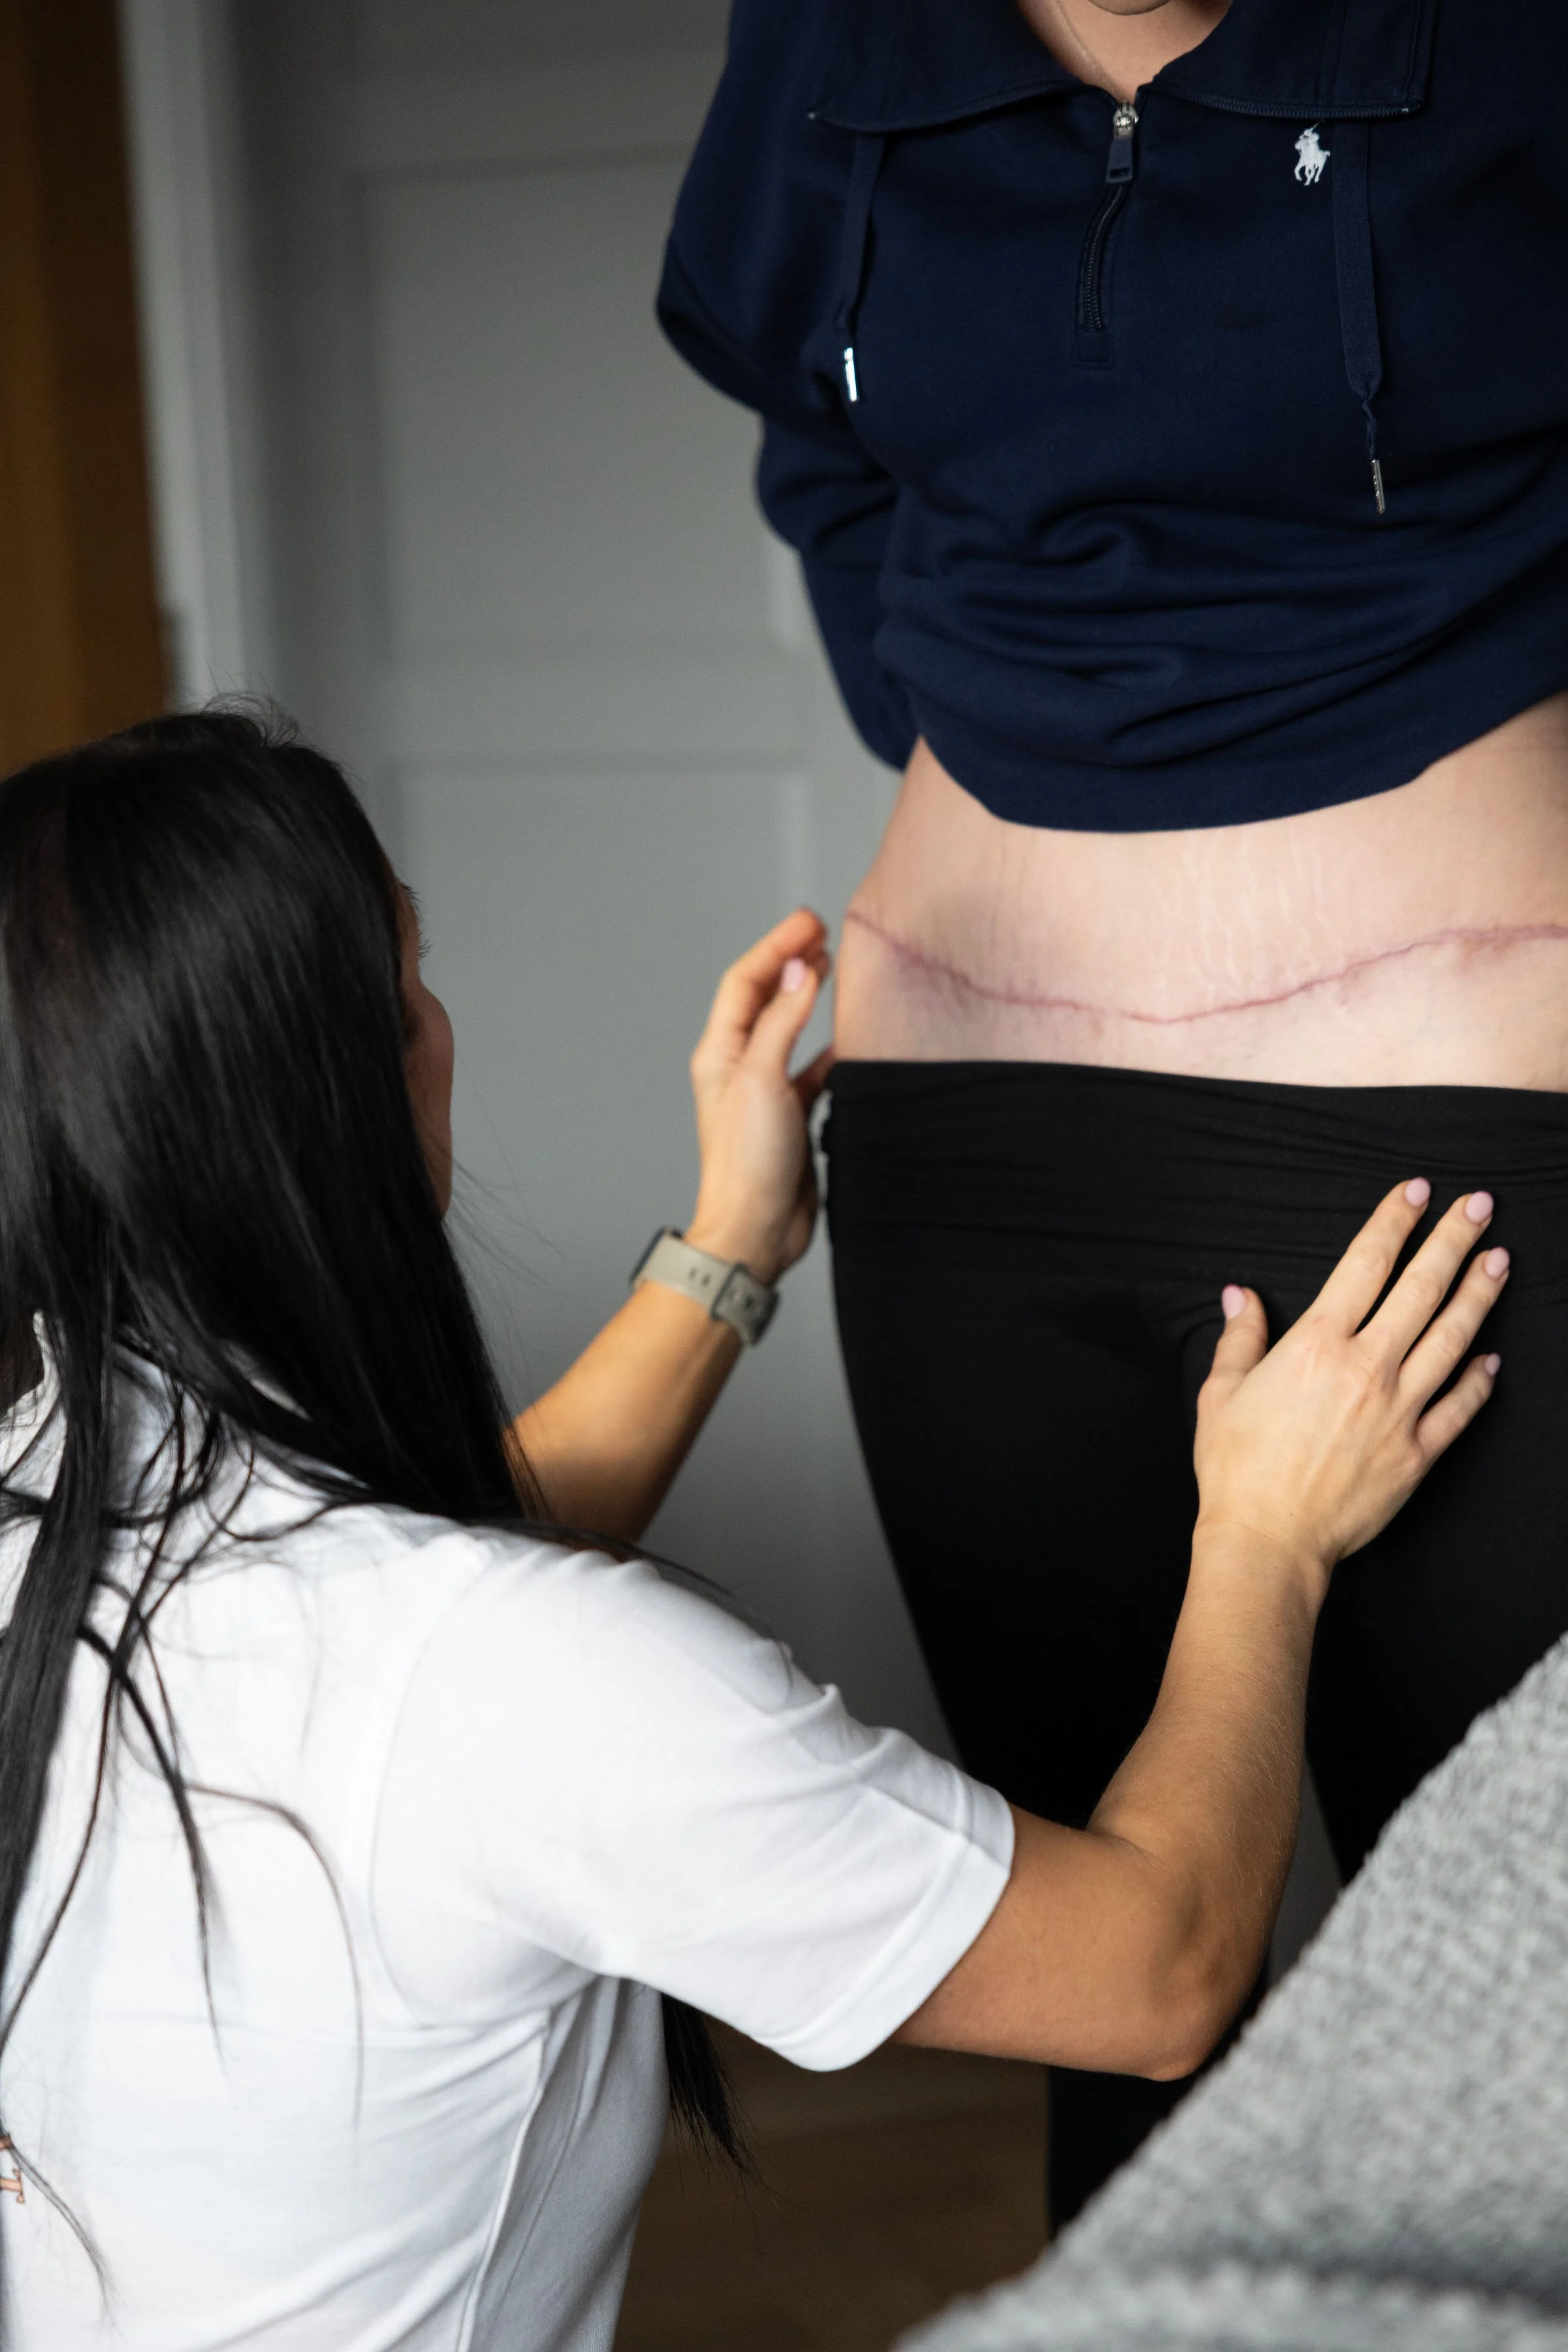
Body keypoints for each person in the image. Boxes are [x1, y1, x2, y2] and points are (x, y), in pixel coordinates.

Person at [0, 712, 1501, 2351]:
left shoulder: (57, 1494)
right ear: (339, 1093)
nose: (441, 1021)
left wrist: (731, 1244)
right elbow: (1162, 1975)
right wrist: (1268, 1536)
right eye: (411, 975)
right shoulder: (515, 1683)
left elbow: (400, 1623)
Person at [657, 0, 1568, 2213]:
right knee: (1121, 1979)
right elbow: (811, 418)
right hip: (988, 1157)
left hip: (1451, 1136)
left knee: (1526, 1972)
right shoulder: (837, 37)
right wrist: (972, 695)